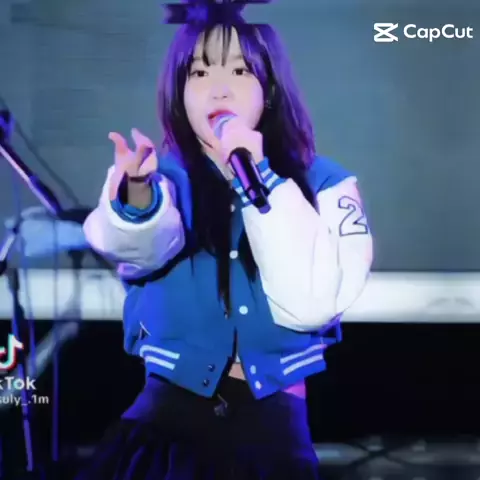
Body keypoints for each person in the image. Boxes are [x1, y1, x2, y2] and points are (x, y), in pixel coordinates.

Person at [76, 1, 373, 478]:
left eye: (239, 71)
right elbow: (135, 249)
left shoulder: (325, 183)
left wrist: (262, 180)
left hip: (272, 436)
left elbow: (312, 301)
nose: (219, 88)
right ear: (179, 91)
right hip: (164, 431)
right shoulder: (158, 178)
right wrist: (138, 194)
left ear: (269, 89)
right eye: (199, 73)